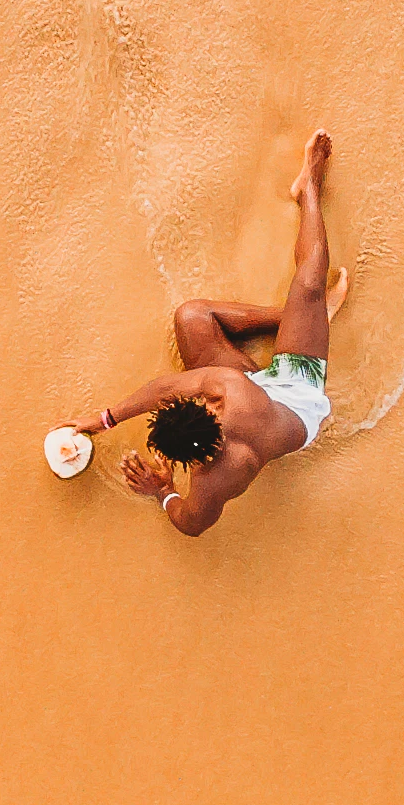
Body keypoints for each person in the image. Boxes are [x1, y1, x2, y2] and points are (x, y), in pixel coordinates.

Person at [64, 133, 341, 538]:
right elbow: (191, 522)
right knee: (299, 296)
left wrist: (112, 427)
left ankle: (308, 190)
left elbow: (166, 391)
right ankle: (308, 317)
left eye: (206, 403)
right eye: (207, 405)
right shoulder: (227, 439)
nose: (209, 401)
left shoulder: (227, 418)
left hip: (283, 392)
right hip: (295, 401)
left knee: (205, 312)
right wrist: (162, 490)